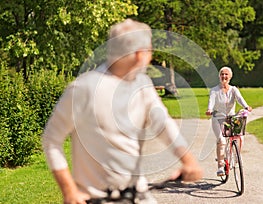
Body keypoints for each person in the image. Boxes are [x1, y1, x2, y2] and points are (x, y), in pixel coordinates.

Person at [42, 19, 202, 204]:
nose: (151, 56)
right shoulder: (83, 89)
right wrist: (69, 191)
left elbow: (163, 123)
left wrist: (188, 160)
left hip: (138, 195)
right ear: (139, 54)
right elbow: (52, 139)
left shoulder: (143, 84)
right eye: (150, 51)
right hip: (96, 198)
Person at [205, 66, 252, 176]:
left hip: (231, 119)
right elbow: (211, 101)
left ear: (230, 77)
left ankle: (235, 157)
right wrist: (209, 109)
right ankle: (221, 166)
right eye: (222, 74)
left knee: (239, 137)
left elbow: (240, 99)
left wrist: (246, 106)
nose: (224, 76)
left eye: (226, 74)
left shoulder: (234, 90)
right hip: (218, 119)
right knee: (221, 140)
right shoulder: (214, 90)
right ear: (219, 76)